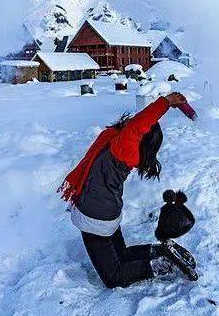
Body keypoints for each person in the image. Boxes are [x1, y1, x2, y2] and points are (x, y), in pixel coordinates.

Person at [58, 92, 197, 287]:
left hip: (96, 215)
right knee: (121, 254)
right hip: (105, 208)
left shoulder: (125, 148)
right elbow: (139, 124)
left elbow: (138, 125)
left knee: (113, 276)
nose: (134, 122)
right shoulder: (120, 142)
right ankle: (161, 251)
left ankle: (161, 265)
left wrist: (166, 102)